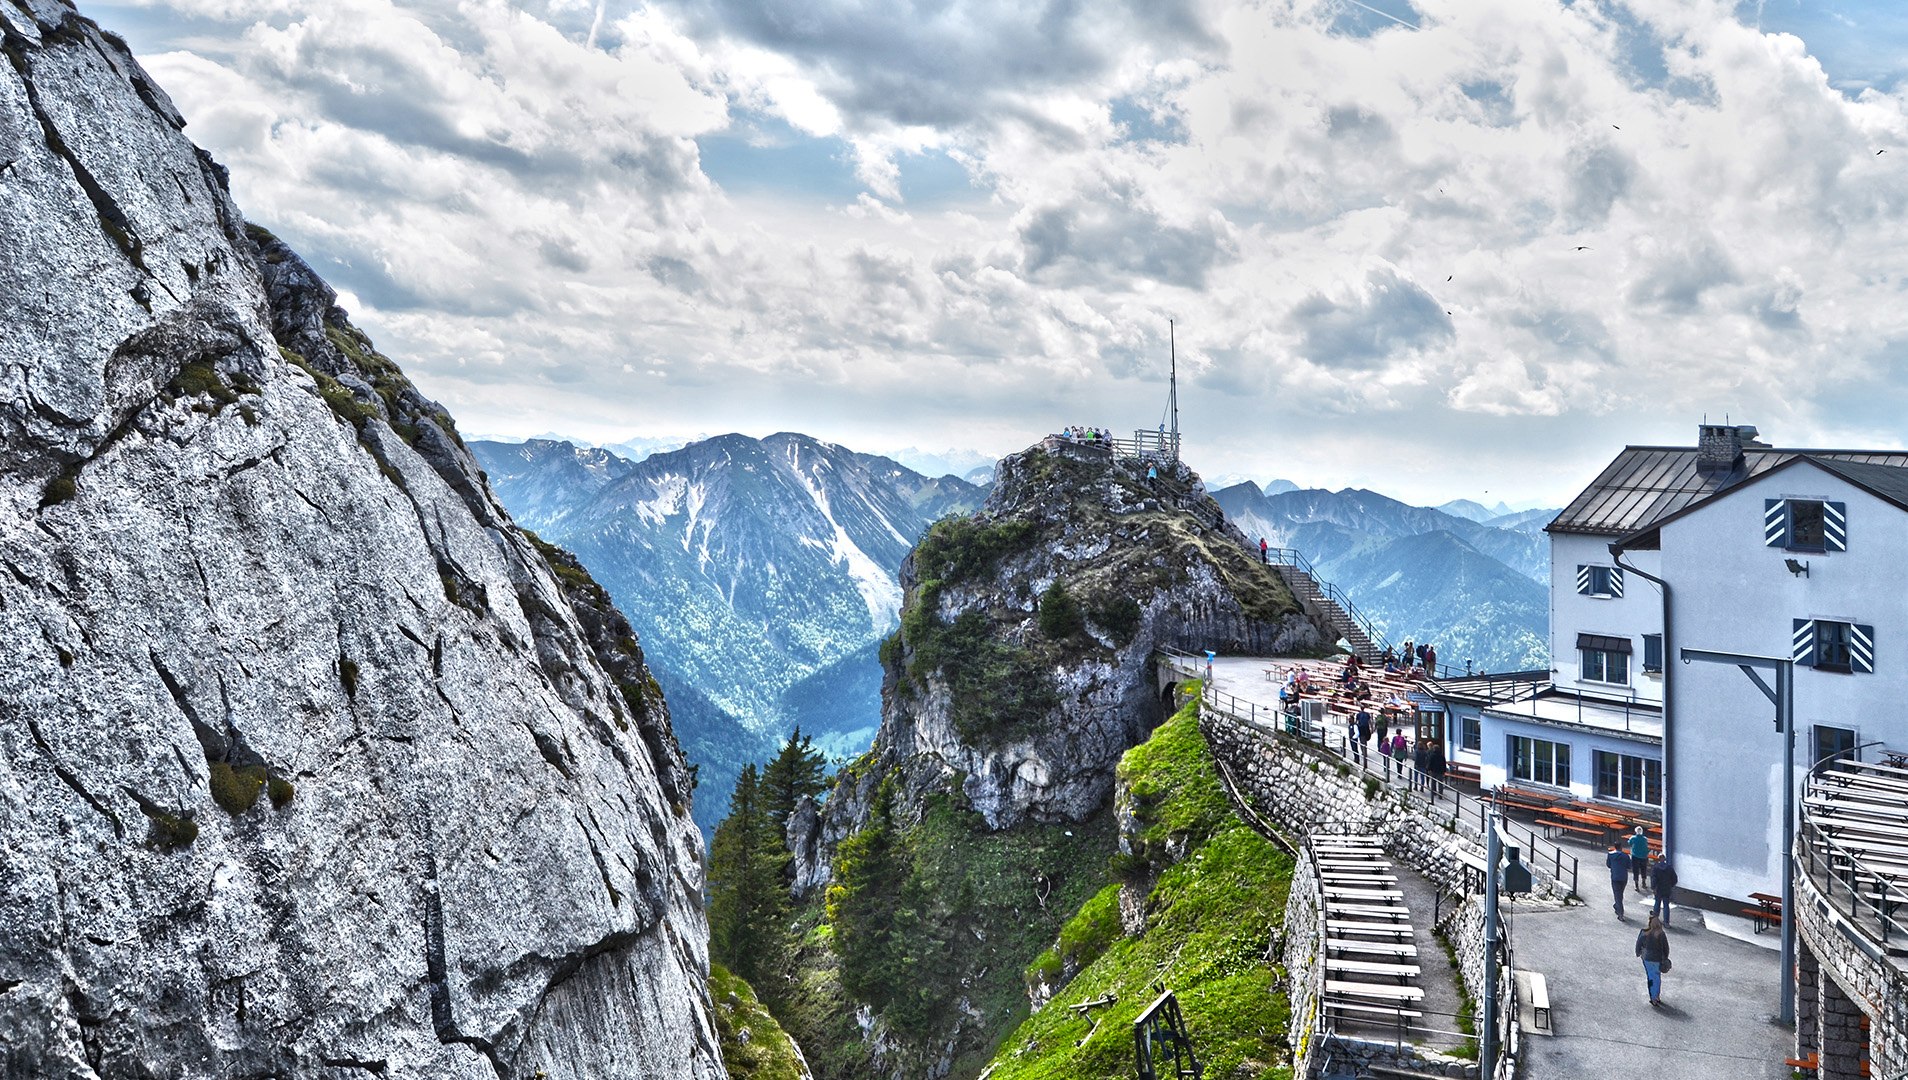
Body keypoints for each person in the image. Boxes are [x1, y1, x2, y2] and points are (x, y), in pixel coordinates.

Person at [1636, 915, 1671, 1006]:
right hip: (1657, 959)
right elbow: (1665, 948)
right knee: (1656, 977)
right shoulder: (1661, 934)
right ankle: (1656, 996)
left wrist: (1638, 953)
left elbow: (1638, 944)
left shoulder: (1644, 932)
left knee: (1650, 977)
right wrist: (1665, 957)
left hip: (1646, 959)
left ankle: (1653, 997)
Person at [1607, 842, 1633, 919]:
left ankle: (1620, 912)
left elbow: (1608, 865)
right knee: (1620, 893)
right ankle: (1617, 906)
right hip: (1623, 877)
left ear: (1614, 847)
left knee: (1617, 894)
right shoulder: (1625, 856)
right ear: (1621, 847)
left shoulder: (1610, 855)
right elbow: (1629, 866)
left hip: (1615, 876)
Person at [1651, 856, 1678, 925]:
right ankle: (1666, 922)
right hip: (1667, 888)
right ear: (1665, 859)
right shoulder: (1669, 868)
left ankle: (1655, 919)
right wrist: (1670, 885)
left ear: (1658, 859)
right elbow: (1675, 879)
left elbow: (1654, 879)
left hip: (1658, 888)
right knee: (1666, 905)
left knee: (1657, 903)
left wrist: (1653, 888)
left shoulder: (1655, 868)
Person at [1628, 827, 1652, 891]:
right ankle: (1643, 882)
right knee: (1643, 869)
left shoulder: (1633, 838)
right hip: (1643, 856)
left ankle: (1636, 885)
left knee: (1635, 870)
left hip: (1635, 856)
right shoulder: (1645, 839)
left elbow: (1629, 843)